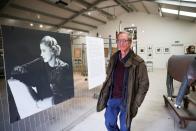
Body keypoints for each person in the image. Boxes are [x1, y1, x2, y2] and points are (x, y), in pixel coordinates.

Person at [97, 31, 149, 131]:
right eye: (119, 41)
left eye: (124, 41)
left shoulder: (138, 62)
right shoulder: (113, 59)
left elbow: (144, 84)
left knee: (125, 128)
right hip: (113, 98)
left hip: (128, 100)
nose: (121, 43)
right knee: (109, 123)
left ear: (130, 43)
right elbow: (108, 77)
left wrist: (136, 103)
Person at [11, 35, 70, 105]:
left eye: (44, 50)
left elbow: (66, 93)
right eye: (41, 50)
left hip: (58, 103)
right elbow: (18, 70)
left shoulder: (64, 67)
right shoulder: (40, 61)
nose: (41, 54)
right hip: (41, 102)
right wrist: (20, 71)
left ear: (52, 51)